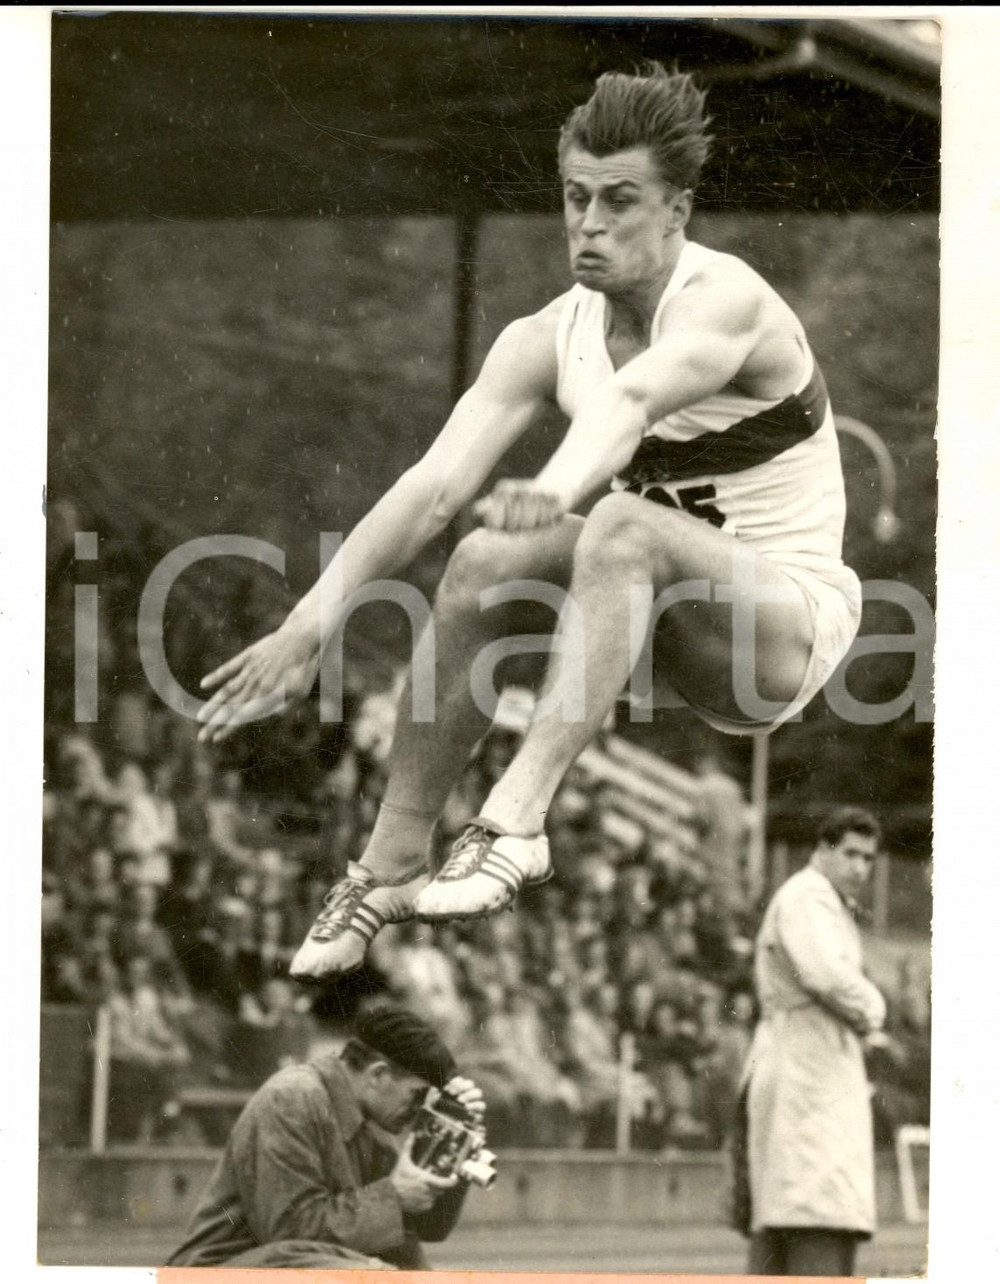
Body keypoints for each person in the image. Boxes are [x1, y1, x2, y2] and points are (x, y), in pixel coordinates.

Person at [196, 64, 862, 983]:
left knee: (621, 522)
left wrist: (557, 485)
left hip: (780, 631)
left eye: (620, 201)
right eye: (575, 197)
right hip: (648, 617)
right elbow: (431, 487)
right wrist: (311, 623)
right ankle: (386, 862)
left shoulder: (729, 301)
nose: (589, 223)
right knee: (479, 559)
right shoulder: (545, 335)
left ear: (677, 210)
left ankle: (515, 824)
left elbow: (634, 398)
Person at [167, 1004, 485, 1269]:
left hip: (286, 1263)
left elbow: (424, 1228)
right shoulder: (292, 1098)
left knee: (407, 1265)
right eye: (416, 1096)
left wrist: (452, 1147)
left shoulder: (371, 1117)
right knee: (374, 1275)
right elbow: (290, 1232)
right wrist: (394, 1196)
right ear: (377, 1075)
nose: (418, 1110)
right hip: (219, 1266)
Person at [739, 807, 886, 1277]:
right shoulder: (807, 896)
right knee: (810, 1205)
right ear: (823, 850)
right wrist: (873, 1009)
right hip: (801, 1065)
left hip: (814, 1062)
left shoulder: (825, 900)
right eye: (850, 854)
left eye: (868, 858)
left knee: (814, 1205)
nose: (860, 868)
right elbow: (825, 975)